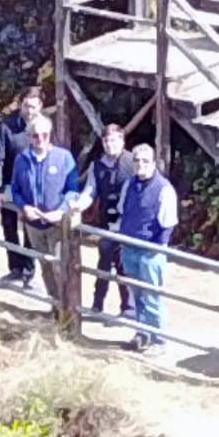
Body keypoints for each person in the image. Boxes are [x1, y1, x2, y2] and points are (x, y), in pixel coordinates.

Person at [0, 114, 78, 298]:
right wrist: (24, 207)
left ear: (50, 135)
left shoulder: (64, 158)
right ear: (29, 137)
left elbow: (73, 190)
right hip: (33, 225)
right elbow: (16, 189)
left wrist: (60, 212)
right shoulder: (21, 160)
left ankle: (67, 312)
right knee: (46, 268)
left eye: (45, 135)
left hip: (58, 224)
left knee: (60, 268)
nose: (40, 139)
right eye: (35, 135)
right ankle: (55, 308)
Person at [117, 144, 178, 353]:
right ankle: (142, 334)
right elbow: (122, 210)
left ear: (153, 163)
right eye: (137, 161)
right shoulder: (129, 185)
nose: (140, 165)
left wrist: (157, 249)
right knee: (137, 296)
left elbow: (168, 223)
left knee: (152, 297)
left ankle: (159, 340)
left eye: (145, 161)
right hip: (129, 247)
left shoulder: (164, 188)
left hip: (150, 251)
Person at [73, 122, 136, 317]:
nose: (110, 145)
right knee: (103, 264)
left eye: (114, 140)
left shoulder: (133, 163)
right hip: (105, 224)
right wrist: (77, 206)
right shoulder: (97, 165)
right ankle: (97, 305)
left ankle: (128, 308)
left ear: (122, 141)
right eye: (107, 141)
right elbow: (90, 191)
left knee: (124, 265)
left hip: (127, 225)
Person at [0, 90, 44, 284]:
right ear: (20, 105)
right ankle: (15, 267)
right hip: (9, 184)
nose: (29, 111)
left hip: (34, 186)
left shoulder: (45, 130)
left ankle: (29, 269)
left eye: (33, 106)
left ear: (40, 108)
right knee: (9, 225)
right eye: (26, 106)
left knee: (31, 228)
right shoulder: (7, 127)